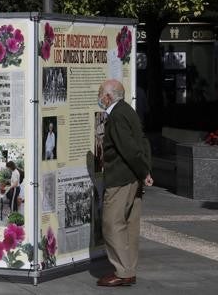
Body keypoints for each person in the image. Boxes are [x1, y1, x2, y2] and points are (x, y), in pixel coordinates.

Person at [96, 79, 153, 287]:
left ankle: (123, 272)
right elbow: (143, 141)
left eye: (100, 92)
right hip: (132, 177)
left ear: (109, 96)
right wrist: (145, 171)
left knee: (112, 223)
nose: (99, 96)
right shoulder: (127, 110)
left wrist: (143, 171)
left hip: (121, 178)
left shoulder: (117, 115)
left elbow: (129, 148)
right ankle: (128, 269)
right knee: (129, 224)